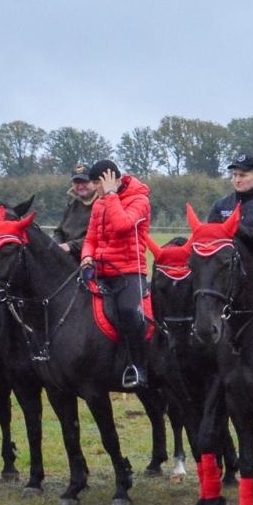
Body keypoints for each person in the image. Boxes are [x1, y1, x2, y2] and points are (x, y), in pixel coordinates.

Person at [79, 158, 153, 390]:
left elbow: (122, 225)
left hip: (129, 272)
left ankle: (138, 367)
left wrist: (111, 196)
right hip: (100, 270)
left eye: (97, 184)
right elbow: (90, 238)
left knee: (129, 312)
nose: (94, 189)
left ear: (110, 179)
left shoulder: (140, 200)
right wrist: (86, 257)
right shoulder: (100, 203)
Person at [51, 164, 99, 255]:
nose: (80, 186)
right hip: (66, 257)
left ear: (94, 182)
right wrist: (57, 244)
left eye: (84, 182)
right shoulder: (72, 204)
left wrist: (70, 246)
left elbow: (98, 237)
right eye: (76, 182)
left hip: (89, 258)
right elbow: (59, 231)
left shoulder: (102, 204)